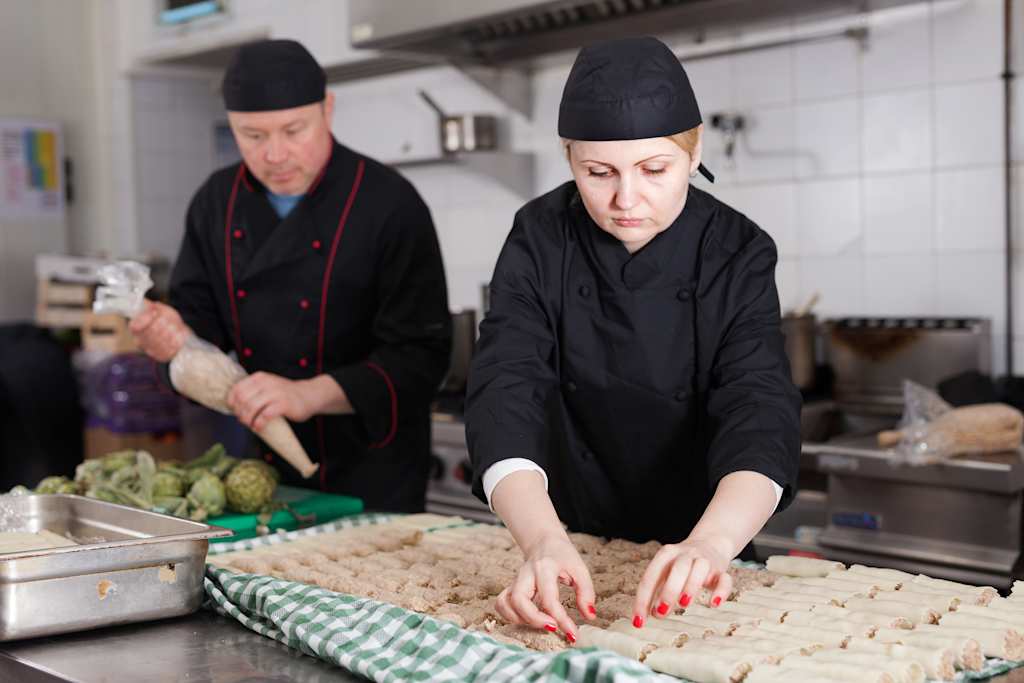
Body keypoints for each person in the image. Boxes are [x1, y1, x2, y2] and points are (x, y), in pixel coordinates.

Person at [465, 36, 801, 644]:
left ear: (692, 153)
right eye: (598, 173)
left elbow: (759, 403)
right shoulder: (538, 237)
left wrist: (713, 542)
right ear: (570, 160)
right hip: (571, 531)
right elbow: (506, 385)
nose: (625, 199)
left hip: (704, 531)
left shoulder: (738, 249)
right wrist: (541, 539)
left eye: (653, 170)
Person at [130, 39, 452, 513]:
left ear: (328, 109)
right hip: (258, 474)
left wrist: (307, 394)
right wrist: (171, 347)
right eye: (253, 136)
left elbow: (420, 357)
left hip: (373, 474)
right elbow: (200, 336)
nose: (275, 154)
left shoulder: (389, 203)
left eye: (293, 130)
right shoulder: (215, 203)